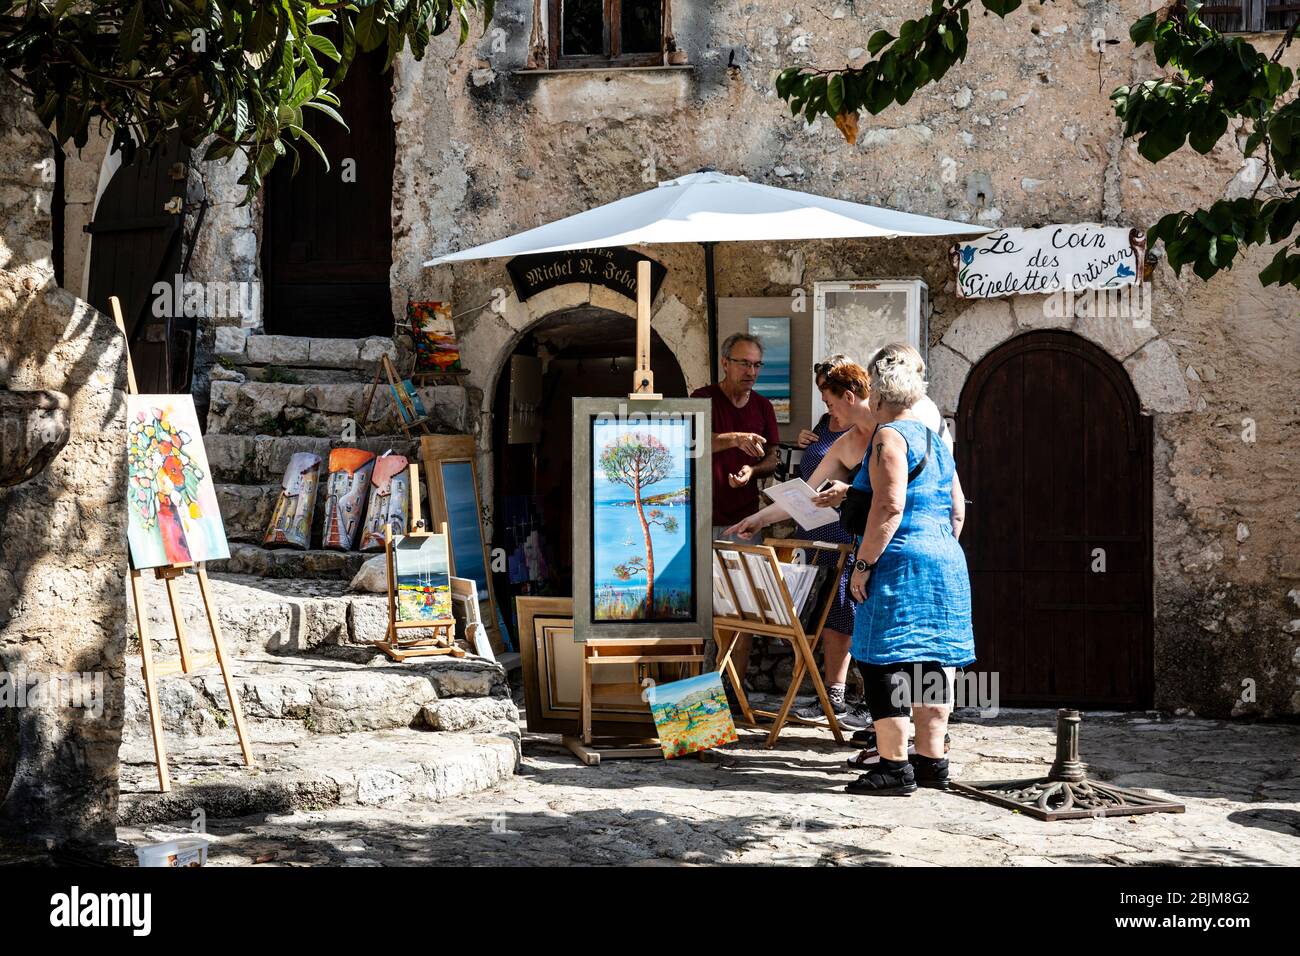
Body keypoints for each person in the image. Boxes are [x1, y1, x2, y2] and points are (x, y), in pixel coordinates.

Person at [843, 343, 974, 796]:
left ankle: (894, 767)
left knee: (886, 660)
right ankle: (932, 762)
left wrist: (863, 565)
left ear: (878, 397)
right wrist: (935, 544)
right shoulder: (938, 441)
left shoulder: (888, 437)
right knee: (933, 662)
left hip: (898, 561)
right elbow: (958, 510)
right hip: (945, 562)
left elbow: (890, 505)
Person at [724, 356, 876, 730]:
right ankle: (873, 720)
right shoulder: (845, 440)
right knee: (832, 615)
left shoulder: (892, 431)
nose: (829, 410)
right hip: (838, 542)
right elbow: (807, 495)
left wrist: (850, 492)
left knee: (870, 625)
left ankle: (883, 720)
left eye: (830, 401)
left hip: (878, 547)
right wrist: (757, 519)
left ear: (852, 395)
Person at [692, 332, 780, 701]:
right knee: (700, 610)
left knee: (741, 608)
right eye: (744, 362)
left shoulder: (762, 406)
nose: (751, 371)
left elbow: (772, 458)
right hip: (699, 518)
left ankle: (733, 693)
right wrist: (734, 439)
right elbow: (688, 440)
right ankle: (698, 693)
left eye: (757, 364)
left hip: (744, 520)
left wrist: (752, 471)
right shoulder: (701, 399)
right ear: (725, 363)